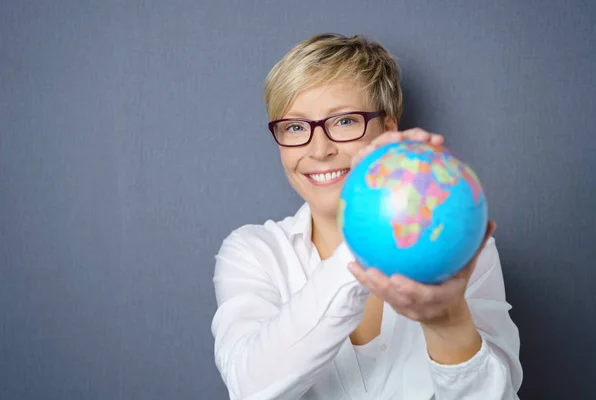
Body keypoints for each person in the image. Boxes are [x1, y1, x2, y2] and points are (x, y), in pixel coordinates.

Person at [211, 33, 522, 400]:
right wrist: (365, 241)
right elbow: (250, 388)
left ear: (388, 130)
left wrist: (449, 322)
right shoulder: (254, 254)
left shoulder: (459, 246)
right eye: (295, 127)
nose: (320, 149)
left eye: (344, 121)